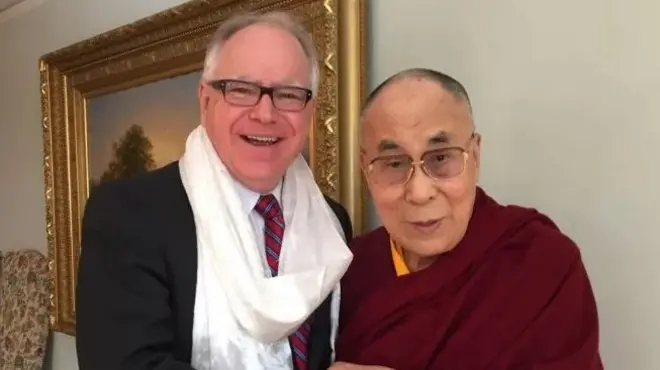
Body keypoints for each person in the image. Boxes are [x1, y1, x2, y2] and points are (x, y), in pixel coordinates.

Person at [76, 12, 357, 370]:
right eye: (241, 90)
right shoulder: (128, 214)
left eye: (288, 94)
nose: (266, 114)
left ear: (310, 111)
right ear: (206, 100)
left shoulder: (332, 222)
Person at [335, 68, 604, 370]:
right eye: (394, 163)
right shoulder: (345, 274)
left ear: (475, 155)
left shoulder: (542, 262)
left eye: (441, 158)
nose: (420, 192)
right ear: (365, 169)